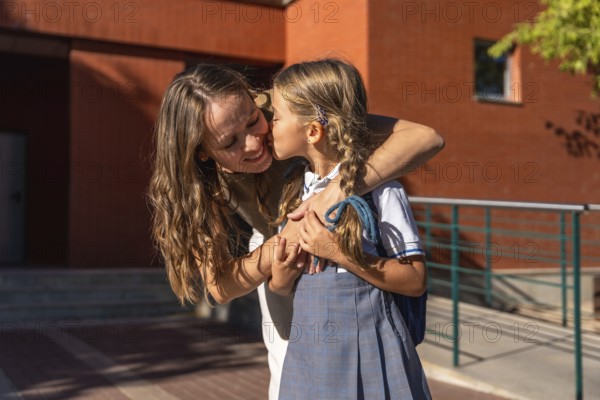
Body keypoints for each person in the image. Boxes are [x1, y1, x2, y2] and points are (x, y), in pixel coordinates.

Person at [148, 63, 443, 399]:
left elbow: (426, 138)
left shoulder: (294, 111)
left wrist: (335, 192)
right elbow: (219, 288)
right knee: (293, 371)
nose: (253, 143)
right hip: (276, 258)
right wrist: (281, 246)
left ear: (254, 98)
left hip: (343, 257)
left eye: (252, 120)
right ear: (201, 151)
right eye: (230, 142)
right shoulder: (198, 184)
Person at [269, 59, 431, 399]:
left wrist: (339, 253)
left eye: (277, 116)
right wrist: (282, 275)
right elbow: (282, 288)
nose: (270, 125)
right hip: (309, 360)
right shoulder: (294, 190)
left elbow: (415, 281)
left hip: (372, 351)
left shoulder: (383, 190)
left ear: (313, 131)